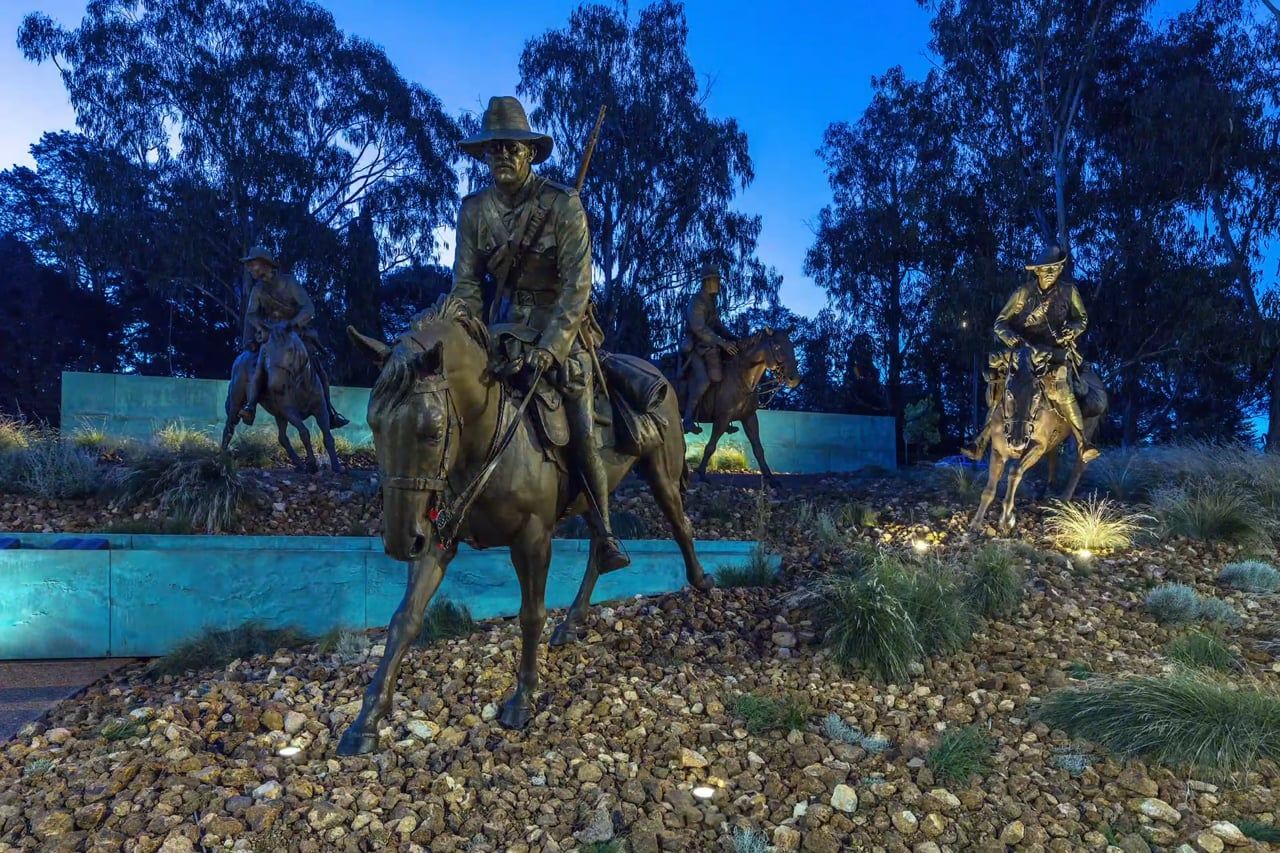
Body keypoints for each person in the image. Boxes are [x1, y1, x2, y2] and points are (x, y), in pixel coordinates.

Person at [450, 95, 629, 572]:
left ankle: (604, 531)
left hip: (559, 330)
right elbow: (466, 285)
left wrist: (552, 347)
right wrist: (466, 327)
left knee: (576, 398)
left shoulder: (562, 204)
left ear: (530, 152)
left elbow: (577, 285)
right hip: (501, 329)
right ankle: (437, 510)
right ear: (485, 156)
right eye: (494, 149)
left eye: (513, 147)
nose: (503, 156)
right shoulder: (473, 211)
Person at [963, 245, 1098, 464]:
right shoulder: (1022, 293)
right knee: (1001, 386)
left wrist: (1071, 331)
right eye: (1046, 268)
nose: (1051, 271)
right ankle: (982, 439)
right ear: (1037, 270)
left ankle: (1082, 441)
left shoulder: (1069, 291)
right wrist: (1014, 340)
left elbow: (1081, 319)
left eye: (1056, 267)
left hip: (1052, 351)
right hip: (1022, 351)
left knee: (1063, 388)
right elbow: (1000, 323)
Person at [238, 246, 348, 428]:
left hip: (294, 332)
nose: (250, 269)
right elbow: (251, 314)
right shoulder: (257, 289)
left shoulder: (289, 283)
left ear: (265, 265)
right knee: (258, 365)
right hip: (271, 335)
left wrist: (293, 323)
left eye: (253, 264)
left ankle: (328, 411)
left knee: (317, 367)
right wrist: (261, 327)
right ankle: (250, 407)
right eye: (248, 265)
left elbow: (308, 308)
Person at [679, 263, 739, 434]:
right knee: (703, 381)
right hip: (696, 348)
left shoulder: (712, 301)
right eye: (716, 280)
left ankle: (722, 416)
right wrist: (722, 343)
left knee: (725, 376)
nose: (719, 283)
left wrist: (732, 338)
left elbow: (717, 325)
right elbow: (699, 328)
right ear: (708, 281)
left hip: (710, 345)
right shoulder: (697, 301)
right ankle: (688, 420)